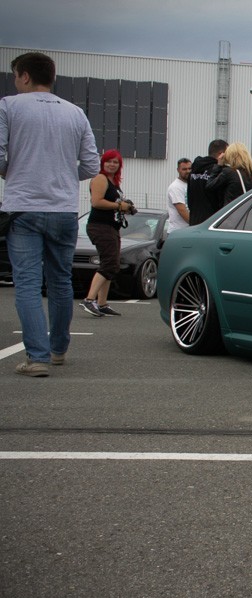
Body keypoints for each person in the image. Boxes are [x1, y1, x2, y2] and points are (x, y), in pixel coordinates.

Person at [1, 51, 99, 377]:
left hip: (24, 207)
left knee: (28, 284)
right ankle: (58, 350)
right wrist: (64, 175)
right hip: (63, 208)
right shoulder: (75, 113)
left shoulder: (8, 106)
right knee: (60, 281)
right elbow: (91, 165)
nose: (16, 82)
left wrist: (13, 172)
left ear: (25, 76)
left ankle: (37, 358)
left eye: (16, 76)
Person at [81, 149, 135, 317]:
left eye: (115, 162)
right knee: (109, 263)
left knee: (112, 264)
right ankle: (89, 300)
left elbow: (114, 203)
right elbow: (96, 202)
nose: (112, 164)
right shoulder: (100, 178)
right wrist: (119, 206)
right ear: (102, 163)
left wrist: (127, 207)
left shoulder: (113, 181)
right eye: (108, 161)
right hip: (100, 226)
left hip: (112, 227)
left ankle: (102, 303)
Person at [205, 142, 252, 207]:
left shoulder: (229, 173)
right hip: (251, 211)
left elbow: (210, 186)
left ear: (231, 157)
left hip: (234, 211)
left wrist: (219, 165)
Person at [187, 138, 227, 225]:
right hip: (212, 222)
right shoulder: (219, 171)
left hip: (194, 222)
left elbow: (189, 199)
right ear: (221, 154)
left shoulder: (193, 170)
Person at [166, 157, 190, 232]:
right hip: (178, 232)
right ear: (178, 170)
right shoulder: (175, 187)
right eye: (184, 169)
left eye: (190, 168)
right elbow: (182, 210)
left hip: (188, 231)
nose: (188, 171)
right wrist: (197, 226)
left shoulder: (190, 185)